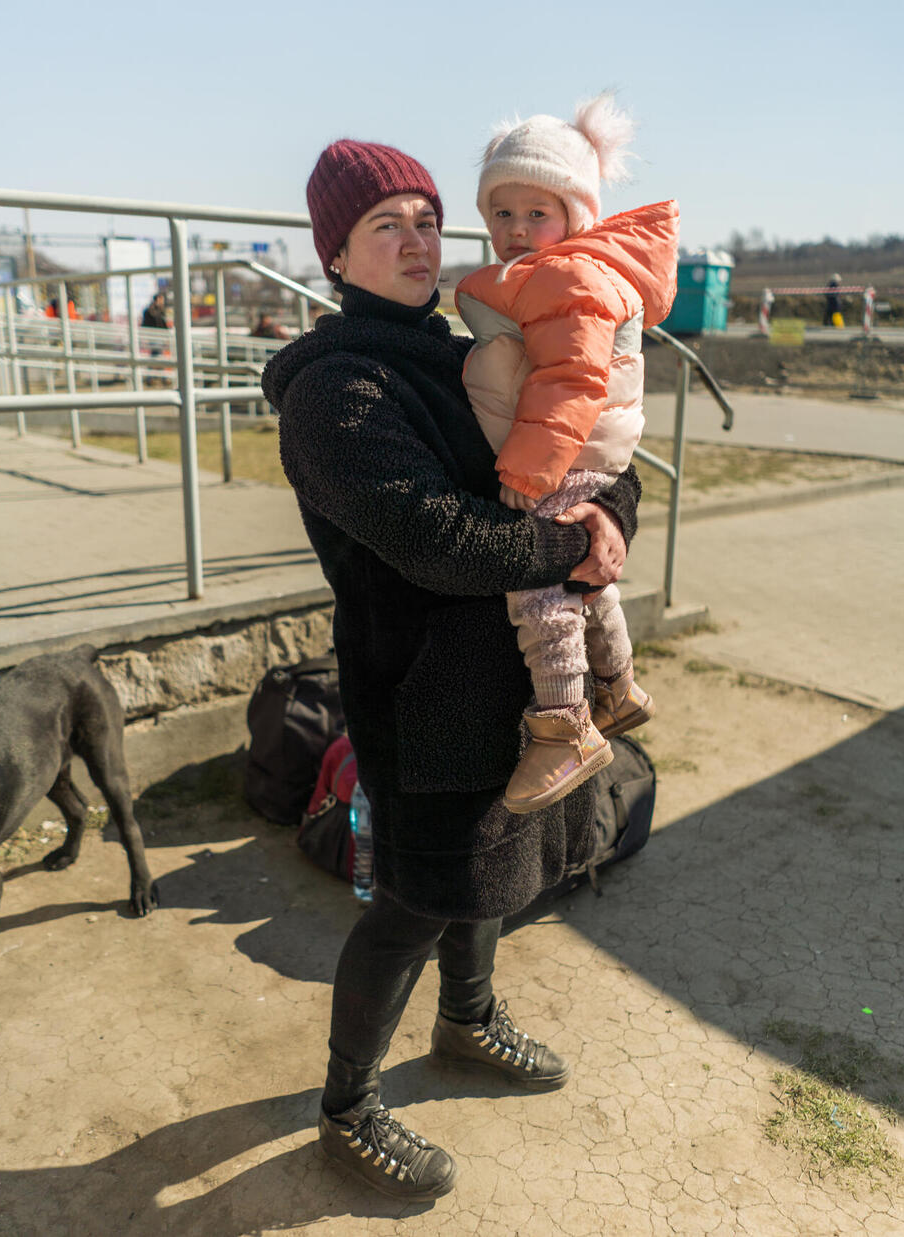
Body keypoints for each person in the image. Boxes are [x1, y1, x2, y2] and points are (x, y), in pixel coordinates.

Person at [261, 139, 642, 1203]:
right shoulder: (337, 389)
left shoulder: (474, 339)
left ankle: (467, 1021)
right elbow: (435, 540)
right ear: (335, 251)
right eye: (386, 223)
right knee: (417, 902)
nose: (418, 238)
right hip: (422, 688)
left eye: (427, 216)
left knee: (496, 871)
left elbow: (584, 460)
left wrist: (610, 515)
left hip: (513, 685)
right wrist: (573, 549)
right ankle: (348, 1107)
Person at [455, 94, 679, 814]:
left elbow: (569, 378)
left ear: (575, 214)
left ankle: (564, 725)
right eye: (502, 213)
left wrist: (528, 471)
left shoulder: (569, 278)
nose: (517, 230)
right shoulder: (564, 270)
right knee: (589, 582)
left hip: (562, 454)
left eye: (536, 213)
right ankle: (615, 689)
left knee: (539, 586)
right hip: (585, 454)